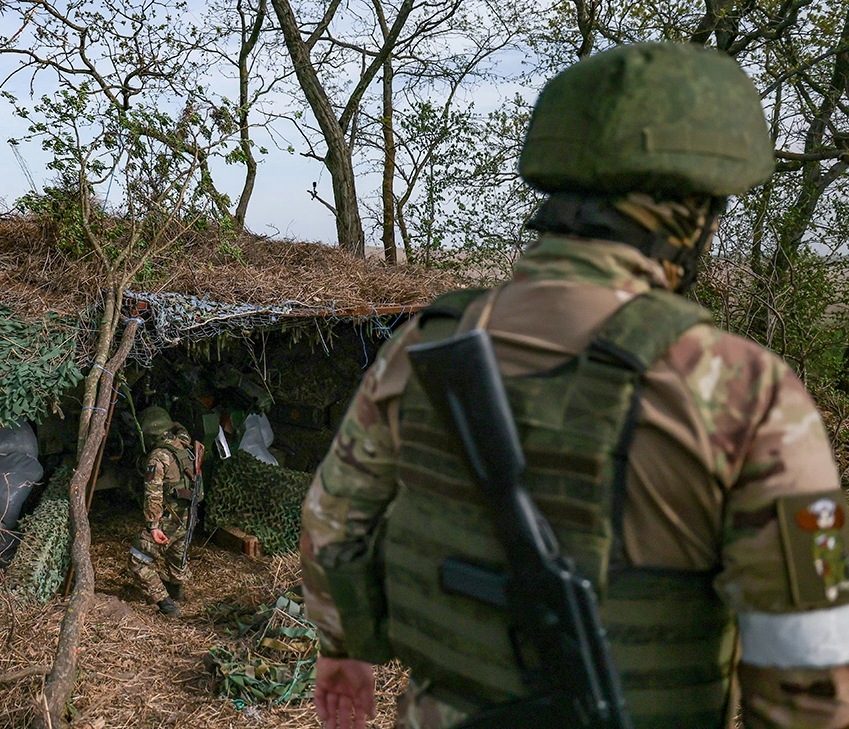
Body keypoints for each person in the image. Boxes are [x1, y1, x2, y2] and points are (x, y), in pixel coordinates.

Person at [300, 42, 849, 729]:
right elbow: (809, 669)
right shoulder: (746, 392)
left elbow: (331, 520)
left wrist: (341, 645)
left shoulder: (426, 342)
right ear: (696, 214)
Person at [129, 405, 197, 617]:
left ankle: (166, 604)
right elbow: (183, 430)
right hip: (187, 516)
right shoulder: (183, 443)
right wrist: (175, 424)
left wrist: (153, 526)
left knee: (138, 560)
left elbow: (153, 495)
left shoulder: (157, 458)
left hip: (168, 519)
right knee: (177, 554)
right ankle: (177, 591)